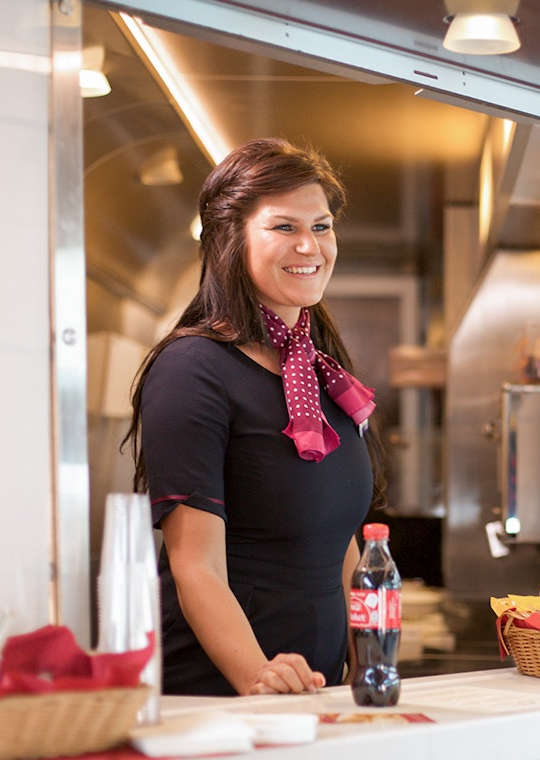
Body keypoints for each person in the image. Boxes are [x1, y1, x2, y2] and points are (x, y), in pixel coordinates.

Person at [123, 138, 385, 697]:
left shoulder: (319, 373)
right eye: (284, 227)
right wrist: (258, 675)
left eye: (321, 226)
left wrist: (367, 662)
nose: (309, 245)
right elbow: (195, 565)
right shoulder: (192, 369)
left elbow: (337, 539)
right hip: (221, 697)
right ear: (230, 238)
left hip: (311, 696)